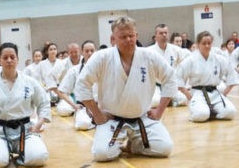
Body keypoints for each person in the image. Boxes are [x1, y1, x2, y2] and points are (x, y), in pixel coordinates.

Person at [75, 16, 178, 160]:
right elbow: (82, 84)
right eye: (123, 37)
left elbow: (170, 78)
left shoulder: (149, 56)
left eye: (131, 36)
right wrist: (97, 114)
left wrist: (159, 111)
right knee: (102, 154)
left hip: (142, 117)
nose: (128, 40)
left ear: (137, 35)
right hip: (112, 119)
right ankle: (116, 144)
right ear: (113, 39)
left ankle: (132, 146)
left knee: (165, 148)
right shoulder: (102, 57)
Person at [0, 42, 51, 168]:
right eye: (5, 57)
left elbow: (44, 103)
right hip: (0, 131)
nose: (9, 60)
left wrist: (38, 125)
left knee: (39, 157)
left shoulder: (29, 82)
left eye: (12, 57)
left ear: (17, 59)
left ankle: (19, 154)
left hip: (25, 130)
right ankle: (6, 153)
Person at [174, 31, 238, 122]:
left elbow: (232, 75)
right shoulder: (191, 59)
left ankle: (211, 112)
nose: (207, 46)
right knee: (201, 115)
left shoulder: (218, 59)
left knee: (230, 112)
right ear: (198, 44)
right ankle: (200, 111)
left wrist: (224, 94)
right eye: (204, 43)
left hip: (215, 93)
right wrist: (189, 96)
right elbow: (178, 78)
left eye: (209, 43)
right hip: (198, 93)